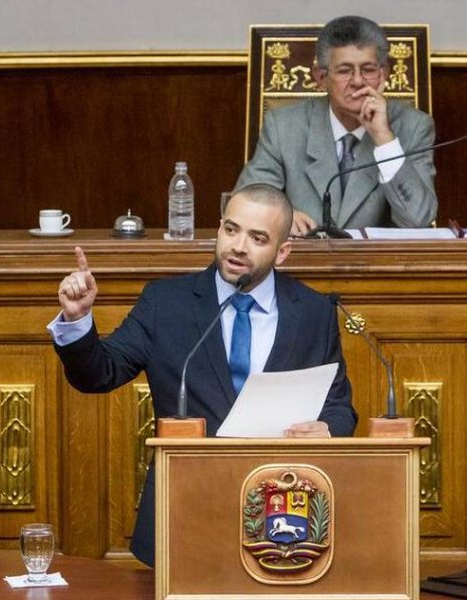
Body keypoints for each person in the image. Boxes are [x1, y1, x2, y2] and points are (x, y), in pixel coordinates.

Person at [48, 183, 357, 567]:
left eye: (257, 237)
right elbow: (99, 374)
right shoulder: (166, 303)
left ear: (283, 252)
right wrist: (77, 321)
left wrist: (328, 429)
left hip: (283, 515)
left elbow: (340, 407)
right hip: (185, 508)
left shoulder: (313, 311)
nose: (238, 246)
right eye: (231, 229)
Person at [236, 15, 437, 235]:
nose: (358, 81)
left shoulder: (414, 127)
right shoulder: (283, 126)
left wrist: (383, 137)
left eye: (368, 69)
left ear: (384, 74)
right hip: (301, 261)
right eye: (344, 71)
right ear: (321, 77)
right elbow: (245, 205)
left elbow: (419, 220)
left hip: (377, 265)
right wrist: (281, 217)